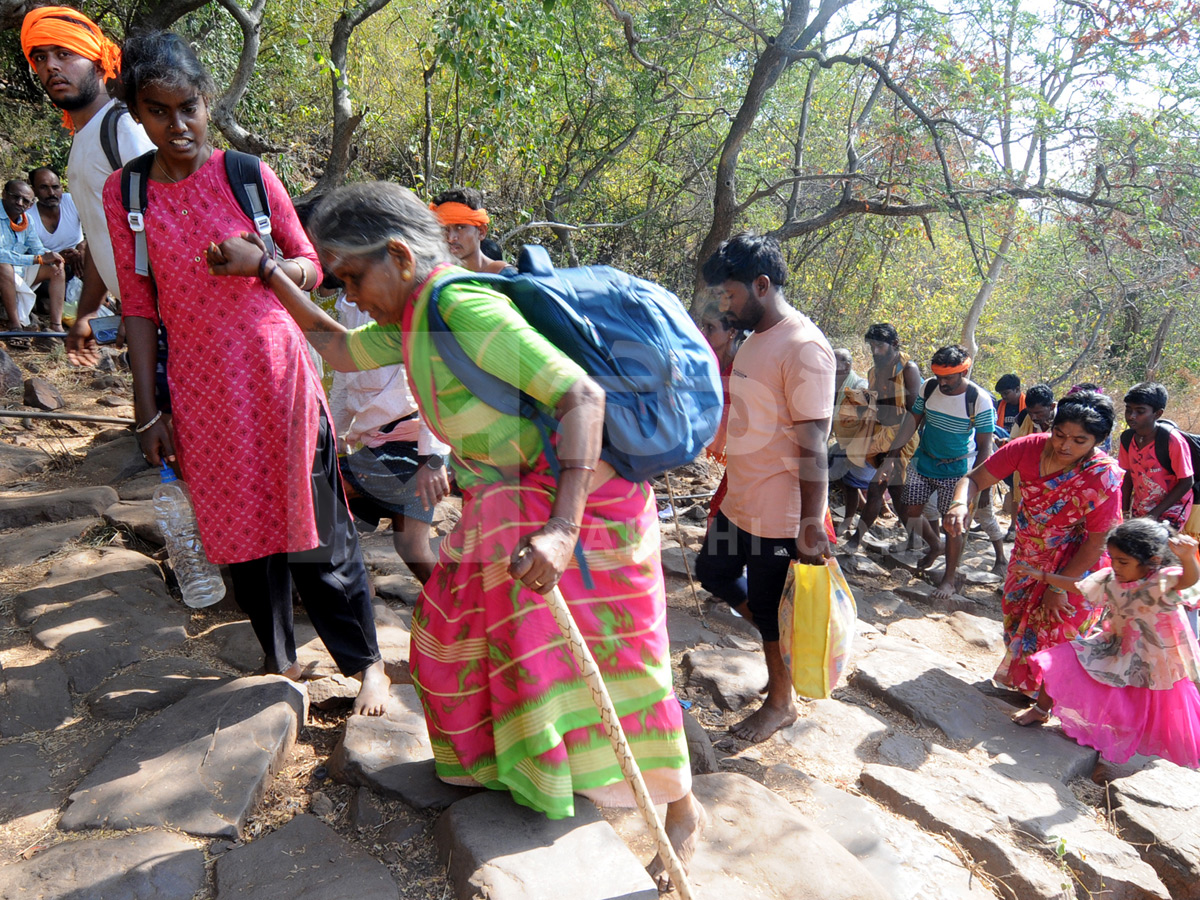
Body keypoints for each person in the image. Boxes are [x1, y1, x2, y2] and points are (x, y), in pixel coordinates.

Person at [205, 182, 705, 888]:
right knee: (456, 637)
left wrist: (562, 530)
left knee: (614, 664)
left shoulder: (460, 308)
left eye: (351, 276)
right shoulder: (414, 317)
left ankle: (680, 811)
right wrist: (266, 273)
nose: (349, 292)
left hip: (587, 509)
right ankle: (520, 769)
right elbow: (339, 348)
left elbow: (581, 397)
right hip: (503, 504)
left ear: (401, 256)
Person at [106, 31, 389, 717]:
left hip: (280, 379)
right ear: (137, 114)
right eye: (160, 111)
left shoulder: (249, 176)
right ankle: (280, 655)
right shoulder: (128, 194)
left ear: (208, 104)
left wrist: (260, 265)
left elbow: (311, 268)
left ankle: (367, 665)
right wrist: (149, 410)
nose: (178, 125)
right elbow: (140, 308)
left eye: (190, 107)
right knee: (235, 530)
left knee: (319, 525)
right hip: (200, 393)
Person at [694, 233, 835, 743]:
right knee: (713, 572)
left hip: (780, 514)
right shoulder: (756, 340)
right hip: (740, 502)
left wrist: (810, 521)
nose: (726, 305)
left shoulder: (805, 347)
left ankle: (780, 701)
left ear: (761, 284)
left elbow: (814, 441)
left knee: (774, 607)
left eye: (730, 295)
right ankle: (783, 651)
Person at [943, 391, 1124, 695]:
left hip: (1075, 566)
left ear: (1098, 440)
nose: (1065, 445)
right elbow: (973, 479)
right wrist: (959, 504)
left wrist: (1057, 586)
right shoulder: (1028, 448)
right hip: (1028, 554)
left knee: (1058, 628)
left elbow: (1097, 542)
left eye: (1079, 441)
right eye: (1059, 434)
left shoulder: (1102, 477)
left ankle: (1045, 699)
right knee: (1017, 617)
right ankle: (1021, 685)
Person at [21, 7, 156, 365]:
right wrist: (88, 313)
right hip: (144, 315)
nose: (50, 66)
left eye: (64, 54)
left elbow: (167, 222)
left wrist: (146, 307)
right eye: (40, 58)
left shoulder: (123, 128)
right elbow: (101, 237)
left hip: (173, 313)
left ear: (98, 63)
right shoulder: (82, 140)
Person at [1013, 520, 1200, 766]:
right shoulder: (1111, 578)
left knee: (1144, 703)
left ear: (1152, 561)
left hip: (1156, 656)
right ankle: (1040, 710)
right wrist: (1043, 576)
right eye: (1112, 558)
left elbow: (1188, 580)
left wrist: (1188, 557)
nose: (1116, 566)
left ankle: (1127, 741)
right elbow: (1078, 586)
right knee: (1060, 661)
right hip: (1115, 644)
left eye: (1123, 561)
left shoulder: (1163, 580)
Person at [328, 289, 450, 585]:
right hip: (386, 443)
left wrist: (432, 458)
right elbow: (343, 386)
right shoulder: (350, 308)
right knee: (411, 547)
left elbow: (433, 383)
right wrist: (331, 437)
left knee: (326, 487)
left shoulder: (397, 306)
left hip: (410, 444)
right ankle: (454, 610)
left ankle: (355, 588)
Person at [874, 345, 996, 599]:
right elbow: (912, 421)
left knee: (953, 525)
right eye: (939, 376)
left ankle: (949, 580)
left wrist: (980, 485)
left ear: (963, 372)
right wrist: (891, 457)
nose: (943, 383)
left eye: (948, 378)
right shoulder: (928, 387)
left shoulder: (979, 400)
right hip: (924, 461)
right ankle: (935, 545)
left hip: (957, 470)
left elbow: (985, 447)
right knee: (909, 510)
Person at [846, 323, 922, 548]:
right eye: (871, 346)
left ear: (894, 344)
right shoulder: (873, 372)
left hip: (901, 438)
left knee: (876, 487)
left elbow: (914, 414)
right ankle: (915, 539)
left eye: (879, 346)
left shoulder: (909, 369)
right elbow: (877, 405)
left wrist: (894, 453)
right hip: (880, 435)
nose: (874, 351)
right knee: (896, 493)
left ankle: (855, 541)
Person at [1119, 382, 1194, 532]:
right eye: (1128, 410)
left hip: (1171, 509)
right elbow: (1127, 476)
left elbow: (1186, 481)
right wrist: (1124, 511)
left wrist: (1154, 514)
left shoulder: (1172, 440)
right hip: (1141, 508)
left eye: (1140, 411)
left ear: (1158, 413)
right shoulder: (1127, 439)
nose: (1131, 416)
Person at [0, 179, 65, 343]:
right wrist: (38, 259)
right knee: (4, 267)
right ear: (4, 194)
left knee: (56, 268)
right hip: (4, 271)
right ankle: (15, 326)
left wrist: (52, 256)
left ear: (30, 205)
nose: (20, 203)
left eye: (26, 201)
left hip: (18, 271)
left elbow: (37, 248)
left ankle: (56, 326)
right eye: (15, 197)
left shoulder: (27, 219)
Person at [1005, 383, 1056, 539]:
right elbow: (1012, 444)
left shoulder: (1067, 418)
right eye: (1031, 412)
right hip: (1027, 474)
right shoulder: (1022, 417)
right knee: (1019, 498)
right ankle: (1017, 530)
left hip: (1054, 476)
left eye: (1039, 413)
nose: (1034, 417)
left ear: (1052, 406)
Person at [428, 187, 508, 274]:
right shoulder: (435, 275)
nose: (450, 238)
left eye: (460, 228)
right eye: (445, 229)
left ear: (481, 232)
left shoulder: (503, 275)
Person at [28, 167, 85, 281]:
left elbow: (98, 228)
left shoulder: (72, 201)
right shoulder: (27, 216)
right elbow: (28, 253)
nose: (51, 193)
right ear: (33, 190)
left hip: (79, 258)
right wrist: (57, 257)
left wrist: (83, 247)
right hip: (49, 266)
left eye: (55, 187)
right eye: (44, 187)